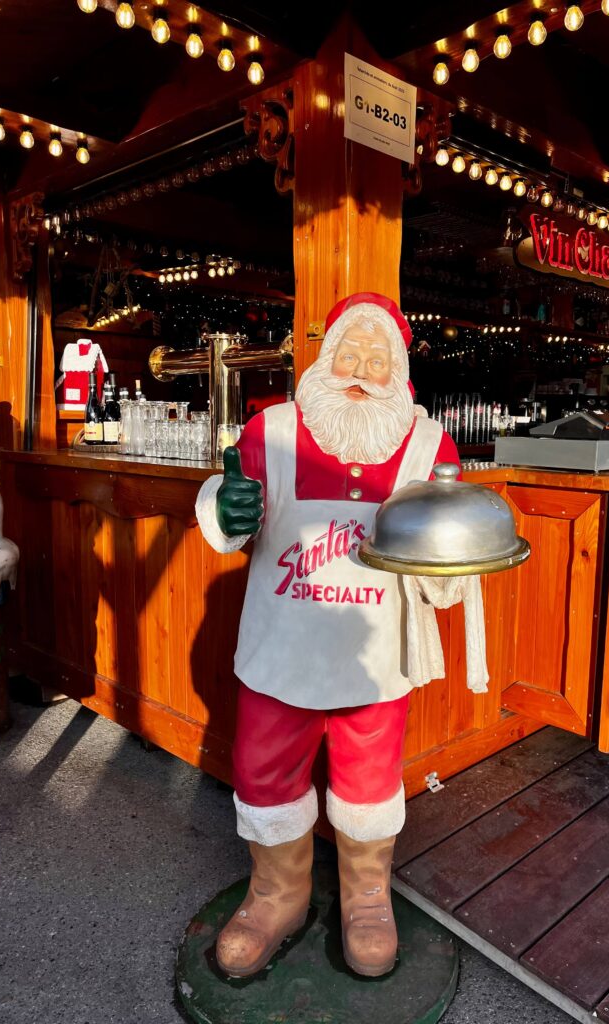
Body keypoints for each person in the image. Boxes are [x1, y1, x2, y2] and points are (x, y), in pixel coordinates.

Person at [195, 293, 462, 980]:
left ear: (399, 372)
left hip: (374, 655)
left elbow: (450, 553)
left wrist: (451, 553)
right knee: (263, 770)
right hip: (281, 647)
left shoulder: (429, 445)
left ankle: (366, 897)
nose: (361, 370)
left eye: (378, 358)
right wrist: (226, 508)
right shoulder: (271, 430)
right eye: (350, 352)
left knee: (371, 781)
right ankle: (276, 894)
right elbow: (231, 511)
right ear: (323, 358)